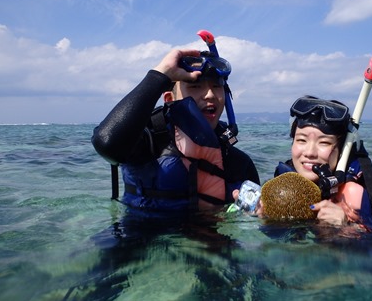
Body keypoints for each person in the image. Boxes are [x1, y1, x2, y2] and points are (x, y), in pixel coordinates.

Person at [91, 47, 260, 217]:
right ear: (170, 99)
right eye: (195, 86)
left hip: (212, 240)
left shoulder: (239, 163)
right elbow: (106, 142)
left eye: (217, 86)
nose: (210, 94)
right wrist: (160, 74)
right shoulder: (148, 143)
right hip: (144, 239)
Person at [242, 95, 372, 230]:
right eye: (301, 140)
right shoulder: (282, 183)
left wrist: (345, 227)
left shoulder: (350, 195)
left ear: (342, 151)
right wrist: (262, 220)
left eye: (324, 143)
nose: (310, 152)